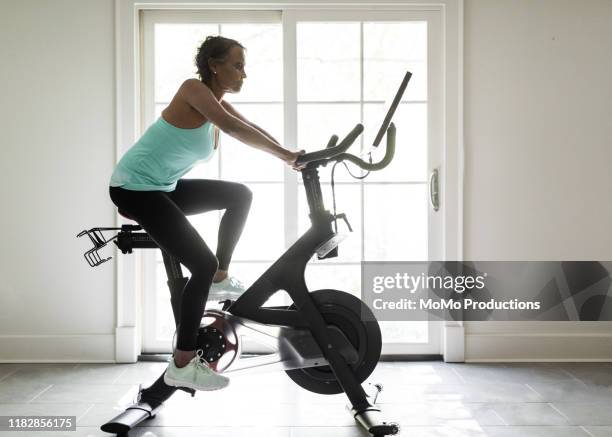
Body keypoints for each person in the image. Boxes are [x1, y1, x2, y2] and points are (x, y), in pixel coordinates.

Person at [108, 35, 304, 391]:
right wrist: (286, 156)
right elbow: (234, 129)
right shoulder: (194, 90)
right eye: (237, 65)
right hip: (133, 187)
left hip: (161, 188)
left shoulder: (217, 102)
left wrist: (291, 154)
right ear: (215, 65)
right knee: (201, 263)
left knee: (239, 195)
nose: (244, 74)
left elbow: (251, 127)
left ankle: (220, 276)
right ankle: (182, 363)